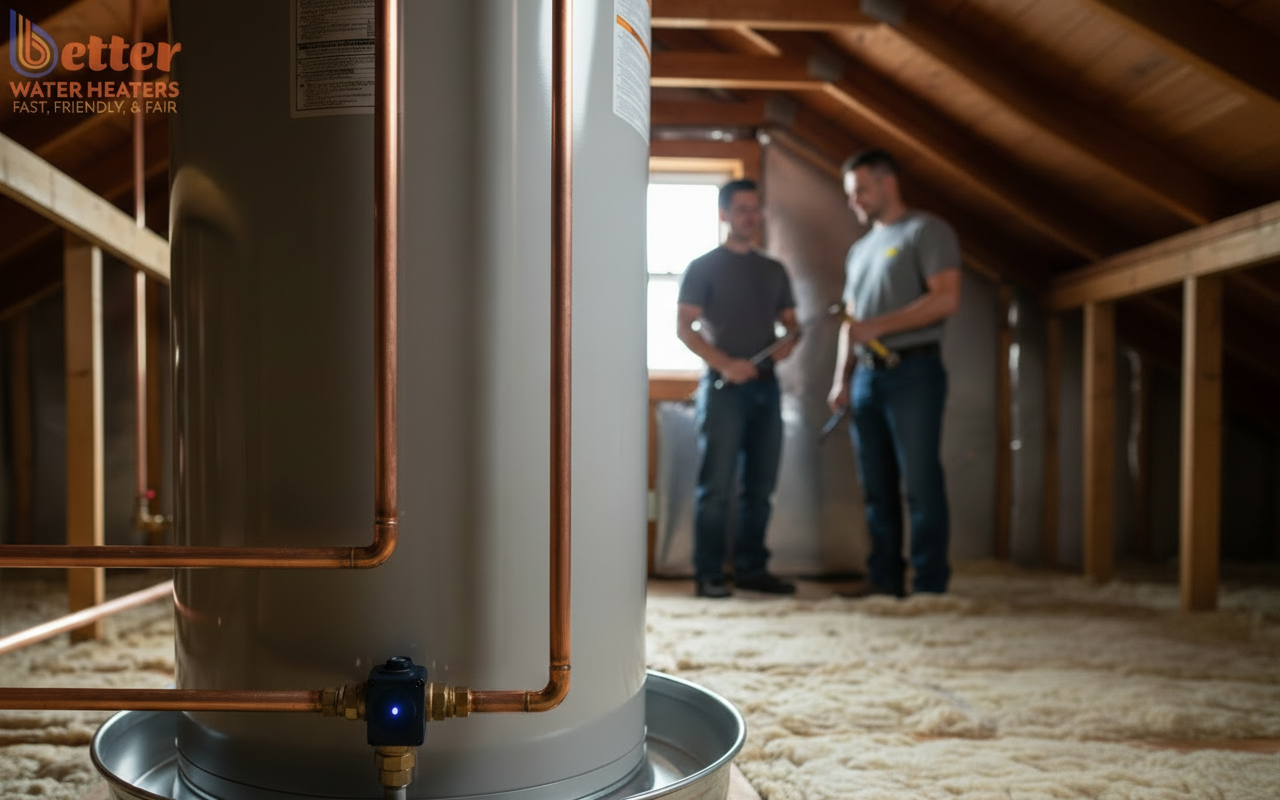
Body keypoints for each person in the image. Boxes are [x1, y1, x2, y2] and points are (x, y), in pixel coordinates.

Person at [827, 149, 961, 597]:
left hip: (914, 372)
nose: (855, 201)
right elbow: (851, 321)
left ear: (888, 183)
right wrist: (840, 379)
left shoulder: (926, 230)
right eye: (850, 194)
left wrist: (877, 326)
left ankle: (929, 586)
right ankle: (884, 583)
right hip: (866, 379)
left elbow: (946, 299)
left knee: (920, 483)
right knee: (876, 487)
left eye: (861, 190)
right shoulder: (859, 250)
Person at [676, 179, 800, 599]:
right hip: (723, 389)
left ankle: (751, 570)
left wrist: (789, 343)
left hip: (767, 389)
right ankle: (708, 574)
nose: (750, 216)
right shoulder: (703, 266)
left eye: (755, 209)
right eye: (742, 208)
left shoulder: (774, 270)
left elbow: (791, 325)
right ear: (724, 214)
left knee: (760, 488)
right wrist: (726, 364)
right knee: (716, 488)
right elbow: (684, 327)